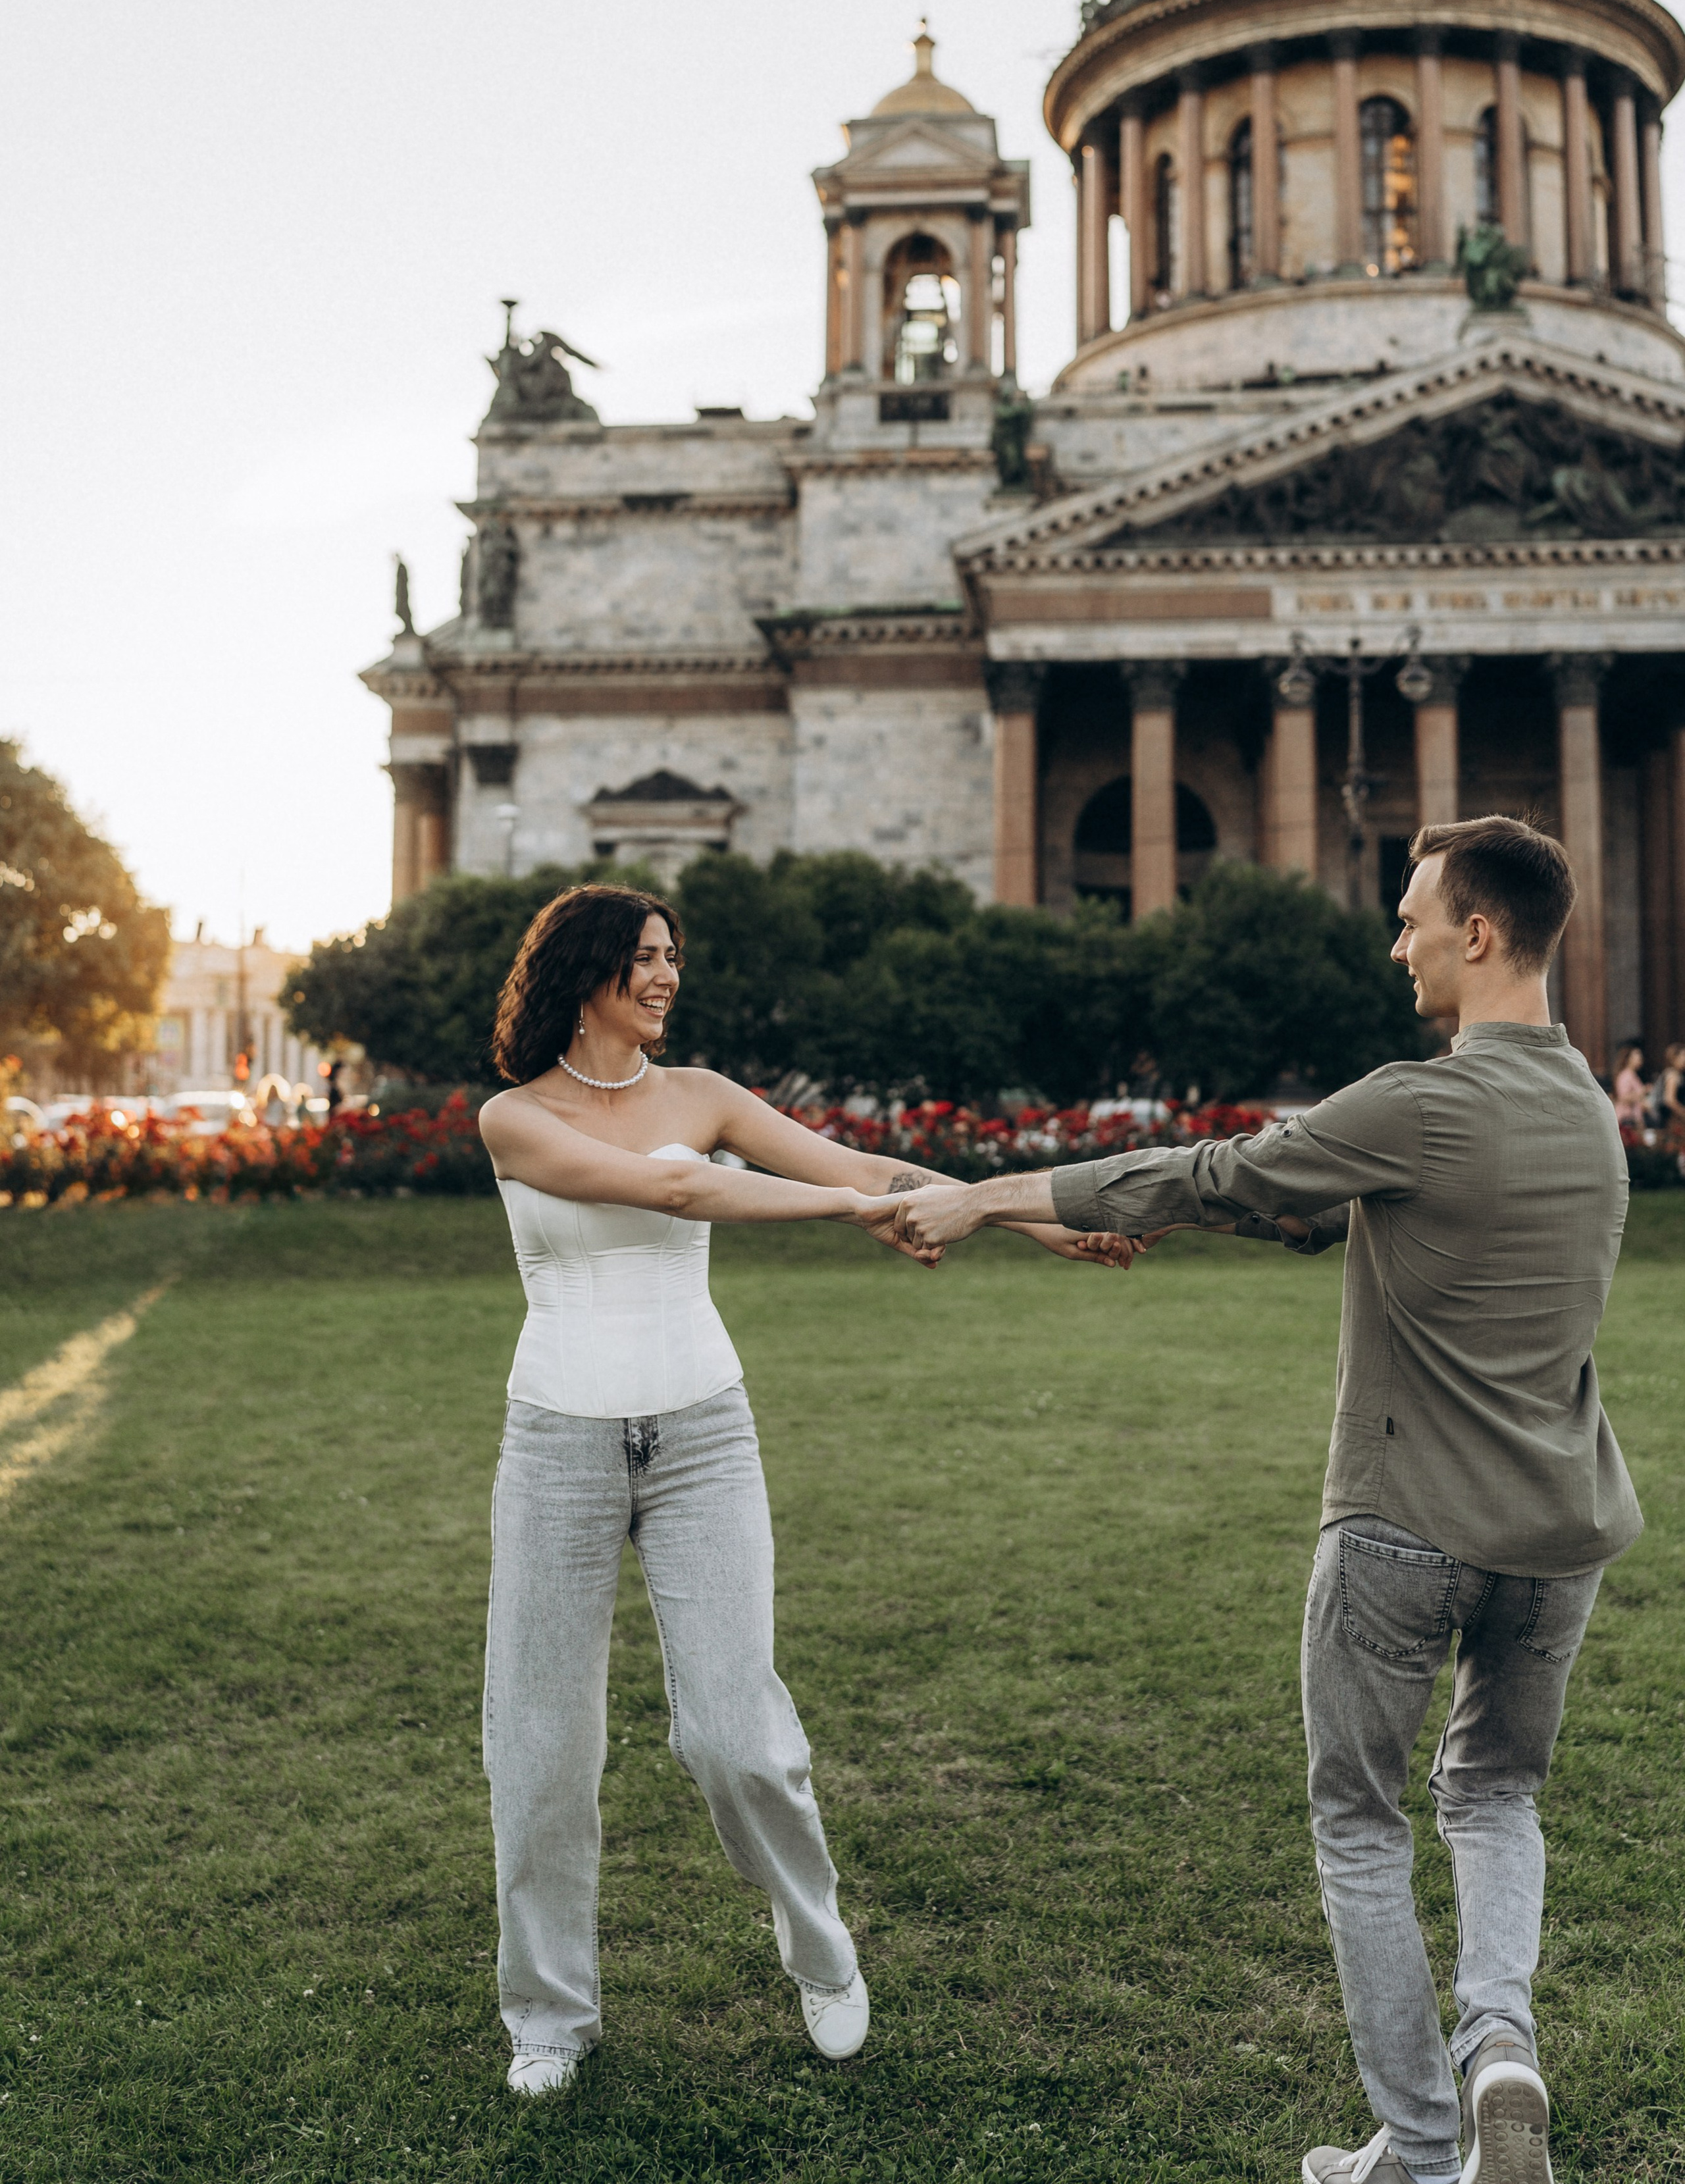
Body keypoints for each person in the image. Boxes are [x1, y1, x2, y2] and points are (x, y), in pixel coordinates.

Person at [875, 816, 1637, 2184]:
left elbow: (1212, 1177)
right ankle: (1500, 2053)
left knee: (1357, 1819)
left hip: (1402, 1521)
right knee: (1493, 1798)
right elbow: (1344, 1211)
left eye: (1411, 917)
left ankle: (1417, 2148)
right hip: (1557, 1536)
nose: (1393, 940)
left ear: (1476, 934)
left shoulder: (1421, 1101)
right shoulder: (1592, 1112)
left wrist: (987, 1197)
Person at [475, 882, 1117, 2094]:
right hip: (557, 1443)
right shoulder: (515, 1119)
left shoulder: (705, 1096)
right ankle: (549, 2016)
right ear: (586, 969)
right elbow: (679, 1191)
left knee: (738, 1737)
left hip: (704, 1435)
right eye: (647, 957)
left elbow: (856, 1162)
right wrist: (848, 1212)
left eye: (674, 955)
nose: (667, 976)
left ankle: (821, 1951)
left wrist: (1024, 1221)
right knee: (541, 1746)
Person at [1610, 1043, 1649, 1131]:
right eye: (1637, 1056)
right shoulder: (1626, 1075)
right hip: (1627, 1118)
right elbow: (1623, 1097)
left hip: (1635, 1118)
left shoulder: (1633, 1075)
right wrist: (1643, 1092)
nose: (1640, 1059)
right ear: (1629, 1059)